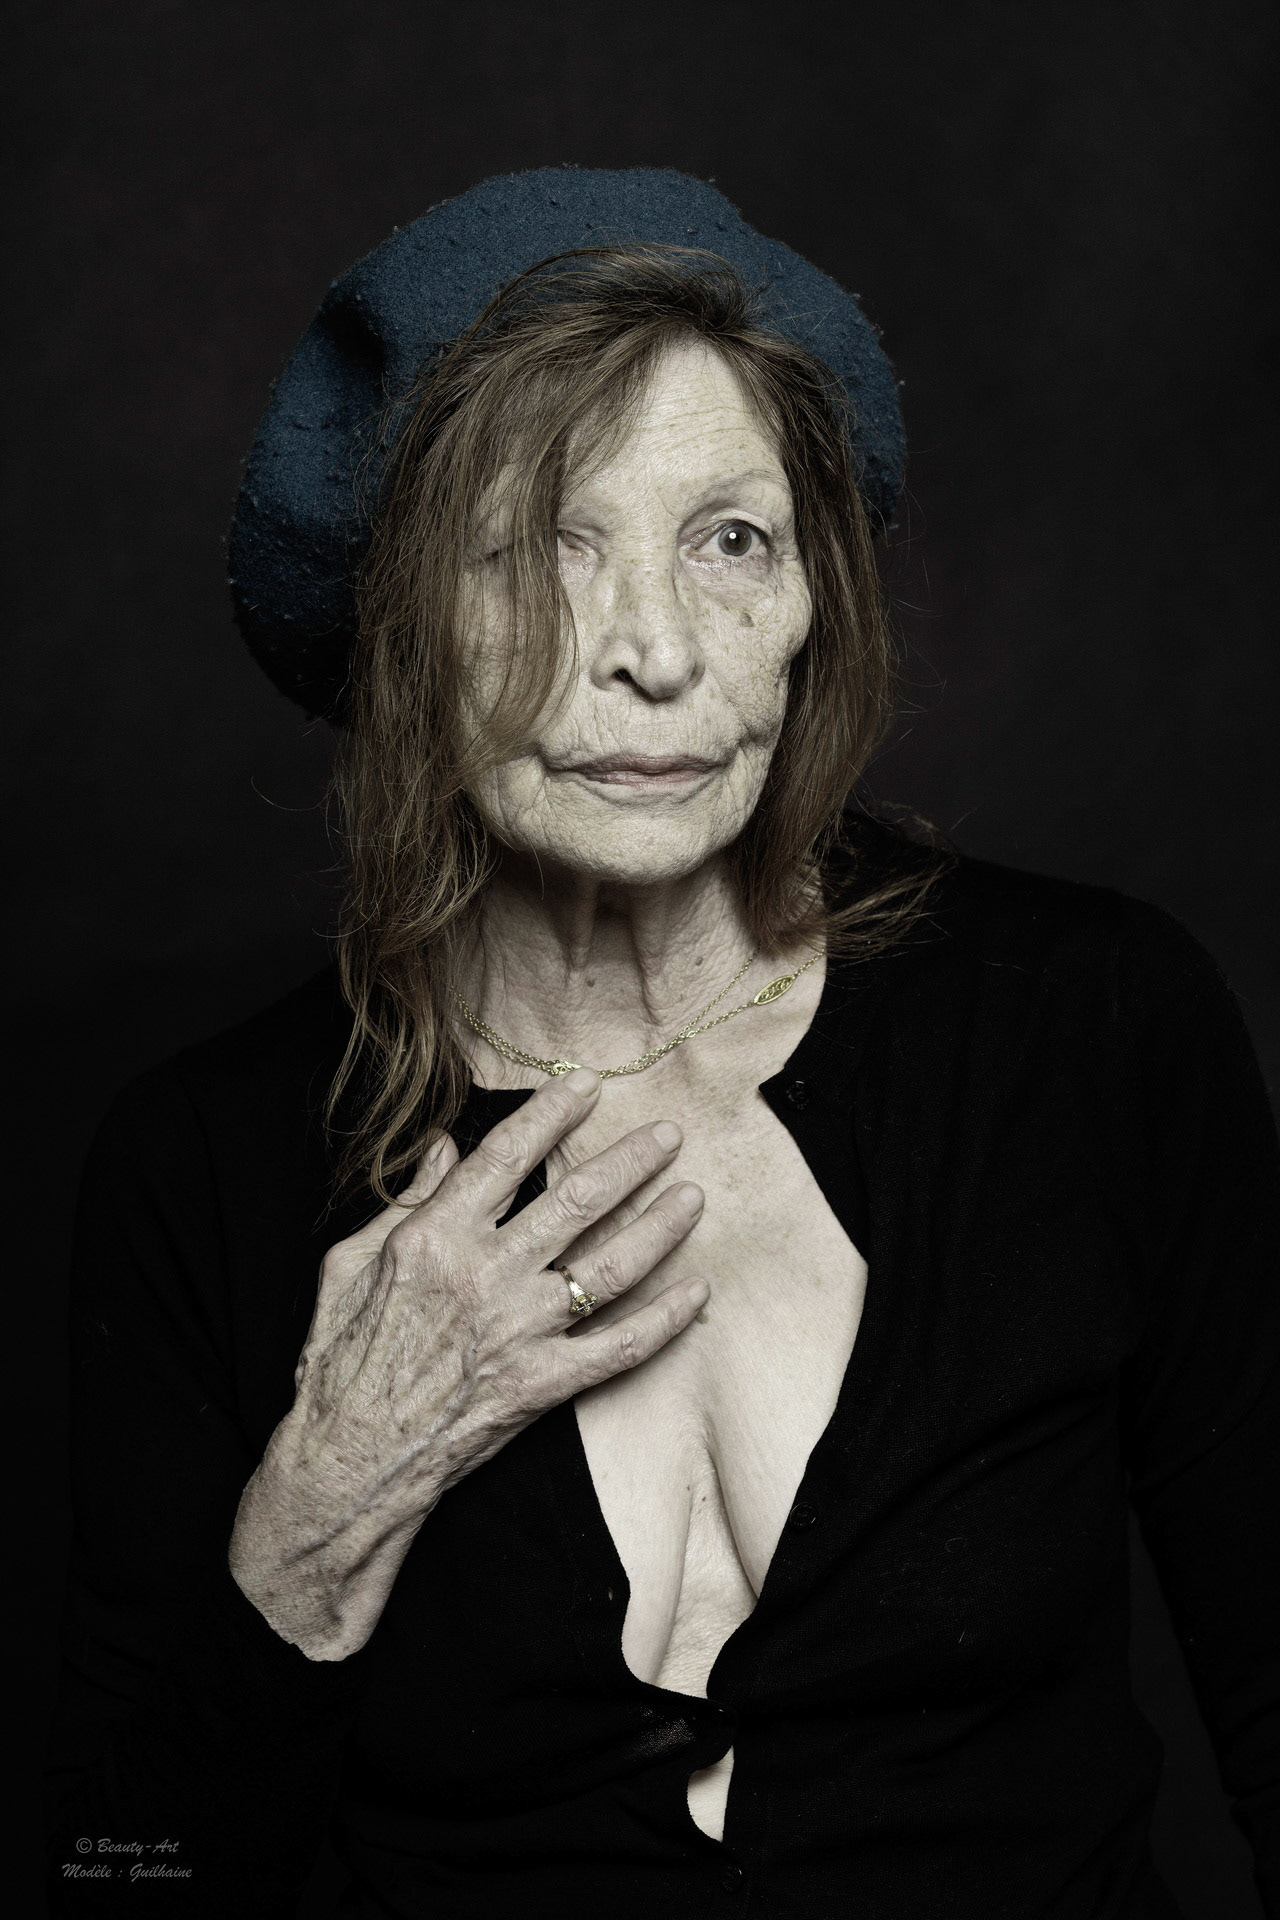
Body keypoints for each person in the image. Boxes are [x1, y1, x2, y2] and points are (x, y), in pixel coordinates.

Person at [46, 168, 1279, 1918]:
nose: (652, 654)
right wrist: (329, 1494)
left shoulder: (1091, 1027)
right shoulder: (205, 1166)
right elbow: (126, 1872)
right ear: (401, 625)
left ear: (813, 601)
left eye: (730, 540)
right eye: (535, 547)